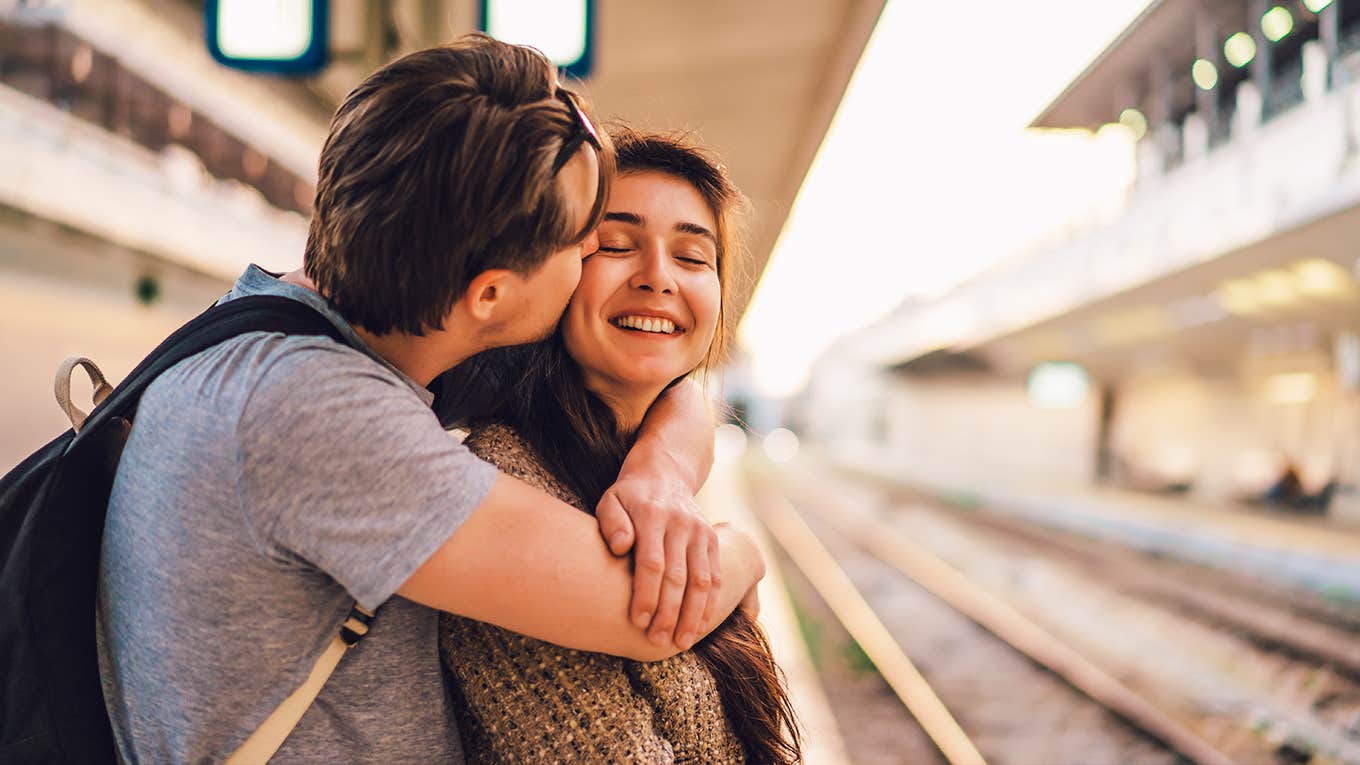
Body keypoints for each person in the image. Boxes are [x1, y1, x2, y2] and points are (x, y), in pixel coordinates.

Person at [96, 37, 765, 764]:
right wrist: (744, 550)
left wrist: (659, 472)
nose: (589, 270)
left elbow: (666, 386)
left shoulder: (325, 329)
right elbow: (641, 611)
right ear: (491, 296)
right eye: (586, 241)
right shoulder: (315, 413)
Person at [440, 128, 801, 764]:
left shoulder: (658, 462)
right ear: (553, 271)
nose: (658, 278)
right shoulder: (506, 481)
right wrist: (741, 551)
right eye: (614, 244)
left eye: (693, 257)